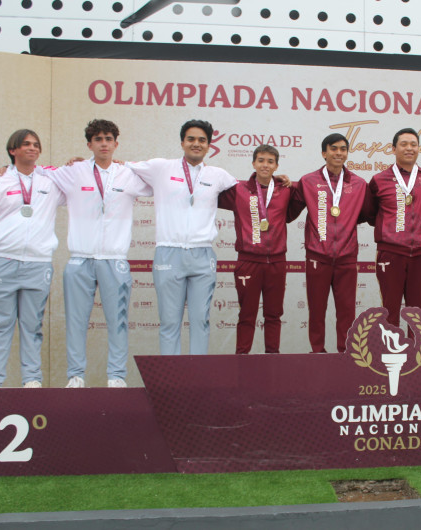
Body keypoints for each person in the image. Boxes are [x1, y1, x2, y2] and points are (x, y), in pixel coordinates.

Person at [37, 119, 152, 388]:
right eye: (98, 139)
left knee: (118, 322)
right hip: (80, 259)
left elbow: (163, 183)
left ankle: (116, 376)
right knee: (76, 322)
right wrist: (4, 169)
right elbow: (36, 171)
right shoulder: (74, 171)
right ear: (89, 144)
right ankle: (76, 375)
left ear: (116, 144)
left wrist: (130, 164)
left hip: (114, 260)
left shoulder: (128, 175)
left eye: (108, 139)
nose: (103, 143)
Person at [125, 119, 237, 356]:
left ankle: (197, 381)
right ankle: (171, 383)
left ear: (209, 146)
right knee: (169, 322)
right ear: (182, 142)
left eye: (202, 140)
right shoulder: (160, 167)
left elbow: (249, 193)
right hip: (169, 253)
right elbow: (118, 169)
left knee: (200, 321)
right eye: (191, 139)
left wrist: (279, 183)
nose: (196, 144)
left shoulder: (218, 175)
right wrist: (83, 165)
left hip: (202, 254)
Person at [0, 129, 65, 388]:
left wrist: (77, 161)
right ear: (12, 150)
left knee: (32, 326)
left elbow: (79, 175)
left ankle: (32, 380)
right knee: (1, 325)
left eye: (36, 144)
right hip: (2, 261)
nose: (32, 148)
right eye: (26, 144)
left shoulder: (50, 182)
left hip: (38, 264)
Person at [287, 133, 374, 353]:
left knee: (346, 311)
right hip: (318, 256)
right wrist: (281, 187)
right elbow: (290, 213)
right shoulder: (308, 181)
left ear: (347, 153)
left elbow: (367, 215)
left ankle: (346, 356)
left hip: (347, 257)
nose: (338, 153)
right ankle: (317, 353)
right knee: (316, 311)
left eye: (343, 149)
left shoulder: (359, 184)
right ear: (324, 153)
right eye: (333, 148)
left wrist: (345, 223)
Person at [218, 145, 291, 353]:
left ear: (276, 165)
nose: (265, 165)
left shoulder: (285, 190)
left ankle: (272, 359)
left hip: (276, 261)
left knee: (274, 315)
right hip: (248, 261)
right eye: (261, 160)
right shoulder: (238, 190)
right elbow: (210, 192)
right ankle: (242, 361)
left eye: (270, 161)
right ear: (253, 163)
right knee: (247, 315)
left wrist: (286, 181)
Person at [369, 128, 421, 329]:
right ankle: (390, 355)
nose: (409, 148)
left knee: (418, 312)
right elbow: (370, 213)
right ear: (393, 149)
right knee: (389, 310)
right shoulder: (379, 180)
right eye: (404, 144)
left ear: (419, 149)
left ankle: (417, 356)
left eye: (413, 144)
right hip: (391, 253)